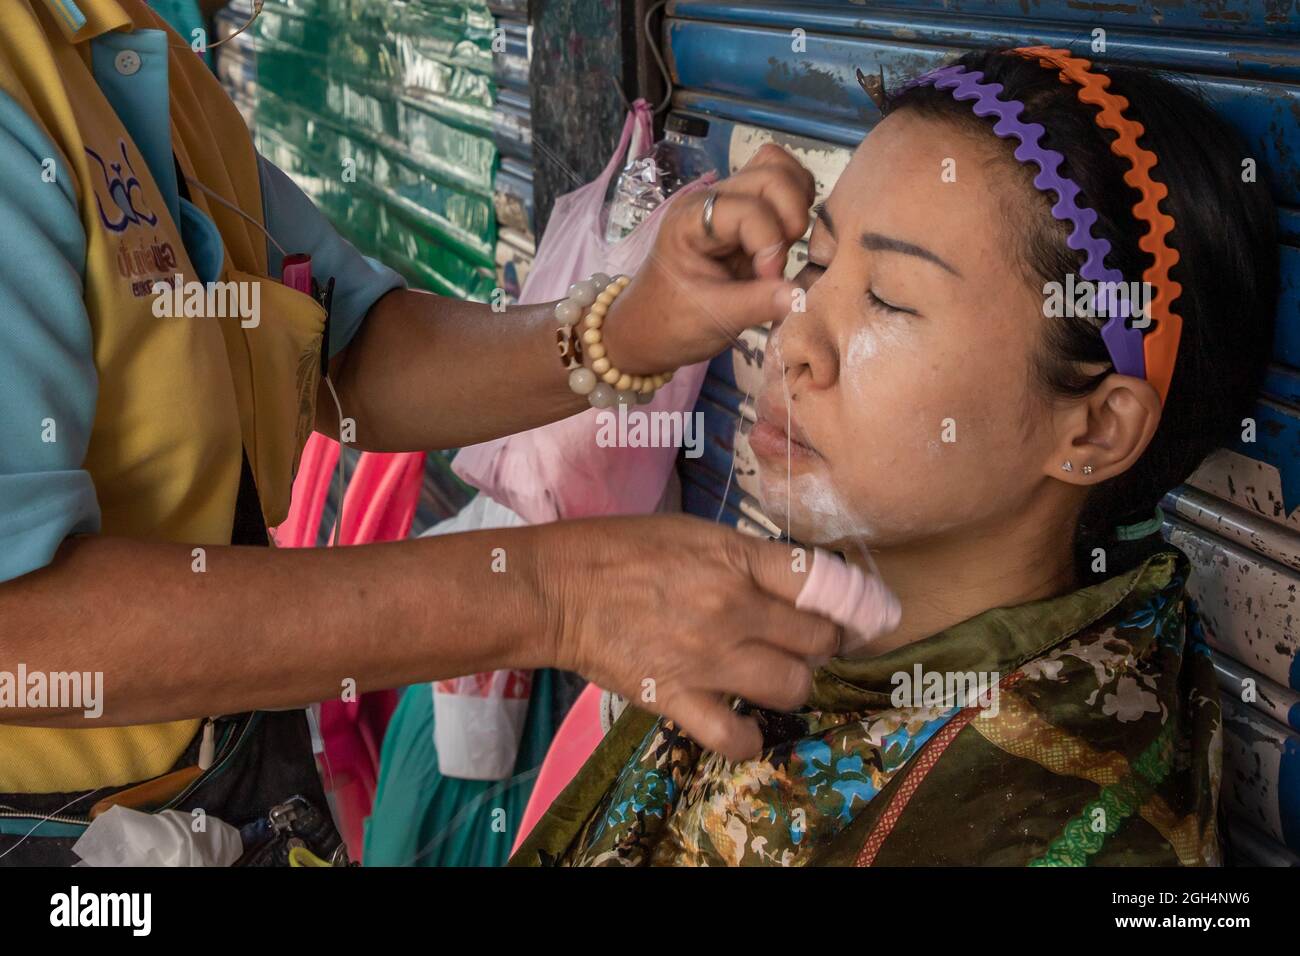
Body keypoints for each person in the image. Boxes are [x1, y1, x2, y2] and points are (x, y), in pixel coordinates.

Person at [0, 0, 855, 864]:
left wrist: (620, 329)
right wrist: (550, 596)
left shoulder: (127, 49)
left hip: (237, 767)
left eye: (887, 297)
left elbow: (345, 344)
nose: (807, 346)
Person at [511, 48, 1278, 867]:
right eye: (818, 259)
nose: (790, 339)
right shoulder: (738, 636)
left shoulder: (1071, 836)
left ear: (1093, 430)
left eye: (889, 300)